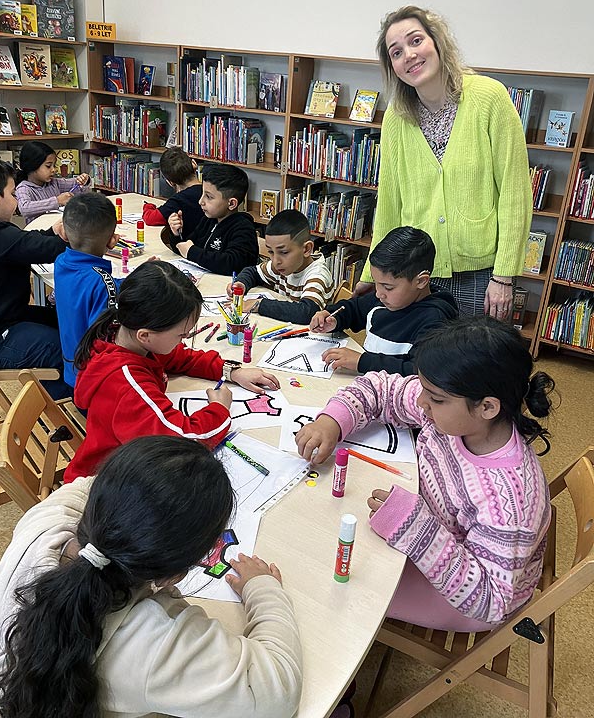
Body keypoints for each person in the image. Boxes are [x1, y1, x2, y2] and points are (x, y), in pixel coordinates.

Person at [0, 435, 303, 718]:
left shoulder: (44, 523)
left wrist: (145, 481)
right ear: (173, 576)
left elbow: (87, 487)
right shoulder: (156, 641)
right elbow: (279, 693)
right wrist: (263, 588)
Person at [297, 316, 554, 631]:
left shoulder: (510, 502)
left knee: (329, 578)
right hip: (435, 537)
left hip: (466, 601)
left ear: (487, 407)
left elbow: (490, 600)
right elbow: (381, 389)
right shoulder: (454, 412)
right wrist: (331, 422)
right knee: (321, 535)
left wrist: (417, 527)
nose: (421, 402)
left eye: (435, 398)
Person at [356, 6, 532, 320]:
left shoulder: (489, 97)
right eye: (396, 52)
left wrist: (504, 276)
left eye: (415, 41)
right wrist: (373, 273)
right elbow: (390, 203)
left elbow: (514, 192)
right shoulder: (396, 116)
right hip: (414, 274)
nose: (409, 55)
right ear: (392, 66)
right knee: (419, 351)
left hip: (482, 275)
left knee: (473, 351)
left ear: (437, 41)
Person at [65, 260, 279, 482]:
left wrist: (230, 371)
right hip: (106, 486)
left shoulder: (125, 335)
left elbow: (180, 357)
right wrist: (219, 408)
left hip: (127, 466)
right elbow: (183, 442)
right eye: (181, 335)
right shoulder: (126, 384)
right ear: (145, 335)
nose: (183, 341)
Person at [310, 226, 458, 374]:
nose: (378, 294)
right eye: (376, 283)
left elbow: (418, 371)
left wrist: (363, 362)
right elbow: (353, 309)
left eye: (388, 287)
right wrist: (333, 318)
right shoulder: (385, 299)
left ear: (420, 281)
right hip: (366, 381)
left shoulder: (436, 321)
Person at [0, 158, 69, 399]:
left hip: (8, 316)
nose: (16, 201)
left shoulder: (4, 237)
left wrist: (52, 232)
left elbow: (23, 244)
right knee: (68, 349)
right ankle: (64, 410)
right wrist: (87, 236)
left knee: (67, 322)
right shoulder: (0, 236)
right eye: (12, 193)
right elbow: (41, 248)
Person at [54, 191, 122, 390]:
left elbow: (88, 286)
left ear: (64, 233)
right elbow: (106, 342)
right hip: (94, 384)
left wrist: (127, 282)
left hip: (72, 369)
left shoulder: (61, 262)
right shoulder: (101, 283)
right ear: (112, 241)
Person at [227, 210, 335, 324]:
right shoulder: (284, 266)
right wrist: (241, 283)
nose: (275, 261)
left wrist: (259, 304)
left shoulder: (318, 275)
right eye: (271, 252)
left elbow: (307, 312)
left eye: (283, 252)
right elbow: (253, 272)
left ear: (306, 249)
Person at [167, 162, 258, 275]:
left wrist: (192, 252)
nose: (200, 201)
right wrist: (177, 234)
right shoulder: (208, 220)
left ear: (231, 204)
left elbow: (232, 263)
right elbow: (185, 248)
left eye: (209, 197)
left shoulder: (243, 229)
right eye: (202, 194)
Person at [15, 140, 90, 224]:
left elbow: (76, 184)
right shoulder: (24, 188)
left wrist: (84, 180)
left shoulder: (54, 183)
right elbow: (25, 208)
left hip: (57, 227)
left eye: (54, 165)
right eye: (48, 166)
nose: (53, 170)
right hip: (38, 230)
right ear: (32, 166)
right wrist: (57, 201)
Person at [142, 146, 204, 236]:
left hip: (188, 242)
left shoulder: (178, 200)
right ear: (194, 164)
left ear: (170, 182)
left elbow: (150, 218)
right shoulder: (210, 192)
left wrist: (148, 206)